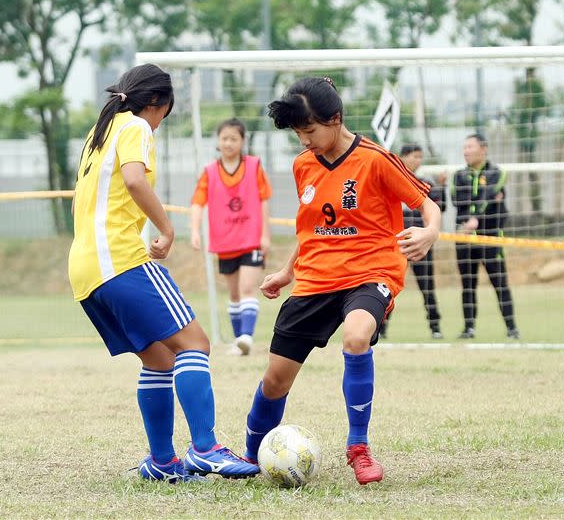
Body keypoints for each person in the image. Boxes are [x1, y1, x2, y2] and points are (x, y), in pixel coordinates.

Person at [240, 76, 441, 485]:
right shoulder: (303, 165)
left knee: (356, 336)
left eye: (309, 131)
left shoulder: (376, 159)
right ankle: (248, 454)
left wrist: (429, 231)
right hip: (315, 277)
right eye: (298, 133)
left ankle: (359, 448)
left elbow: (426, 203)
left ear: (335, 119)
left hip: (371, 272)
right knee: (275, 379)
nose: (304, 141)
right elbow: (310, 229)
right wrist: (286, 271)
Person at [68, 64, 259, 483]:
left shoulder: (97, 133)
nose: (159, 123)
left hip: (84, 271)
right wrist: (168, 229)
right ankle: (205, 448)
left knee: (159, 359)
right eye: (164, 115)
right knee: (195, 342)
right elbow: (135, 181)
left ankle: (161, 461)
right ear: (157, 104)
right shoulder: (135, 126)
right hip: (119, 259)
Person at [190, 118, 272, 356]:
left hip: (251, 239)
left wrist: (265, 235)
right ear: (218, 141)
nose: (228, 143)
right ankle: (240, 341)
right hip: (225, 242)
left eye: (233, 138)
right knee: (234, 294)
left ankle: (247, 336)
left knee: (248, 288)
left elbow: (264, 200)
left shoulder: (254, 166)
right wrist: (195, 230)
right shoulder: (209, 172)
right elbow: (197, 202)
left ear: (242, 141)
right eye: (224, 138)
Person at [451, 132, 520, 340]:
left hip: (490, 237)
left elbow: (489, 196)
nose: (466, 151)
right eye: (464, 148)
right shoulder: (458, 176)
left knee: (500, 283)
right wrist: (474, 216)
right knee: (467, 284)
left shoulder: (496, 173)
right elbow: (457, 200)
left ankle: (511, 328)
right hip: (464, 238)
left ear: (483, 149)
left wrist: (477, 218)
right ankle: (469, 328)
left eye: (470, 147)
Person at [380, 144, 445, 340]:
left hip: (419, 243)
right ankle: (380, 327)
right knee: (387, 285)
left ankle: (435, 327)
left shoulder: (425, 183)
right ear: (404, 157)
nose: (419, 160)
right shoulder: (389, 181)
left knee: (427, 286)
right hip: (395, 244)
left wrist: (443, 187)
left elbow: (441, 210)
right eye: (415, 156)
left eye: (421, 157)